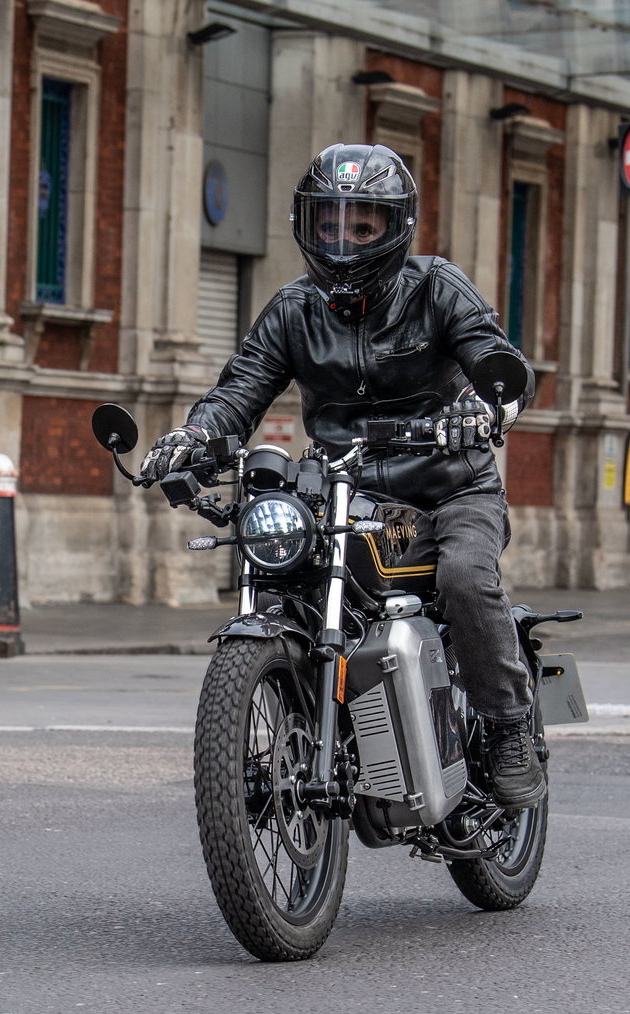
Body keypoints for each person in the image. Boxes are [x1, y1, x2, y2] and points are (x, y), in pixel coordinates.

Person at [139, 143, 543, 808]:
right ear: (307, 225)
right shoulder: (293, 309)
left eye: (363, 226)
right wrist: (196, 435)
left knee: (466, 580)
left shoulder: (437, 287)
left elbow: (493, 356)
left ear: (394, 228)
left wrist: (489, 403)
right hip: (349, 493)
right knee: (282, 572)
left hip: (449, 488)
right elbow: (240, 389)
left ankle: (505, 727)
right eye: (330, 224)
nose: (344, 240)